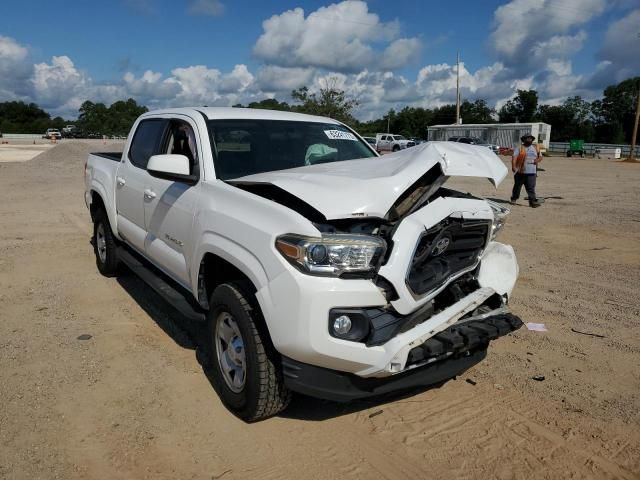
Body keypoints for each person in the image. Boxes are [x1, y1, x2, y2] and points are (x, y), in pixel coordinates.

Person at [511, 134, 542, 208]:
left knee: (531, 188)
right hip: (520, 172)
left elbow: (540, 157)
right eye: (527, 138)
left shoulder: (535, 147)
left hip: (532, 172)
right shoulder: (519, 148)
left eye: (530, 138)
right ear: (524, 140)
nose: (529, 140)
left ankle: (532, 202)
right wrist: (513, 166)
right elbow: (514, 157)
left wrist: (537, 160)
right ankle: (514, 198)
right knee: (517, 187)